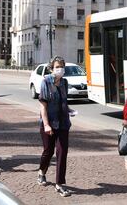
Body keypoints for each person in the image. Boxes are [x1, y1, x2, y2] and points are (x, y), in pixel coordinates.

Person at [37, 56, 72, 197]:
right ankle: (41, 172)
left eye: (62, 66)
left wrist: (69, 111)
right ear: (52, 68)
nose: (60, 69)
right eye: (57, 66)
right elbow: (43, 106)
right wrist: (46, 125)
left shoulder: (64, 82)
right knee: (48, 151)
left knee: (62, 152)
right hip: (49, 123)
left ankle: (59, 184)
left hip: (63, 123)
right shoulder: (46, 82)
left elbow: (64, 102)